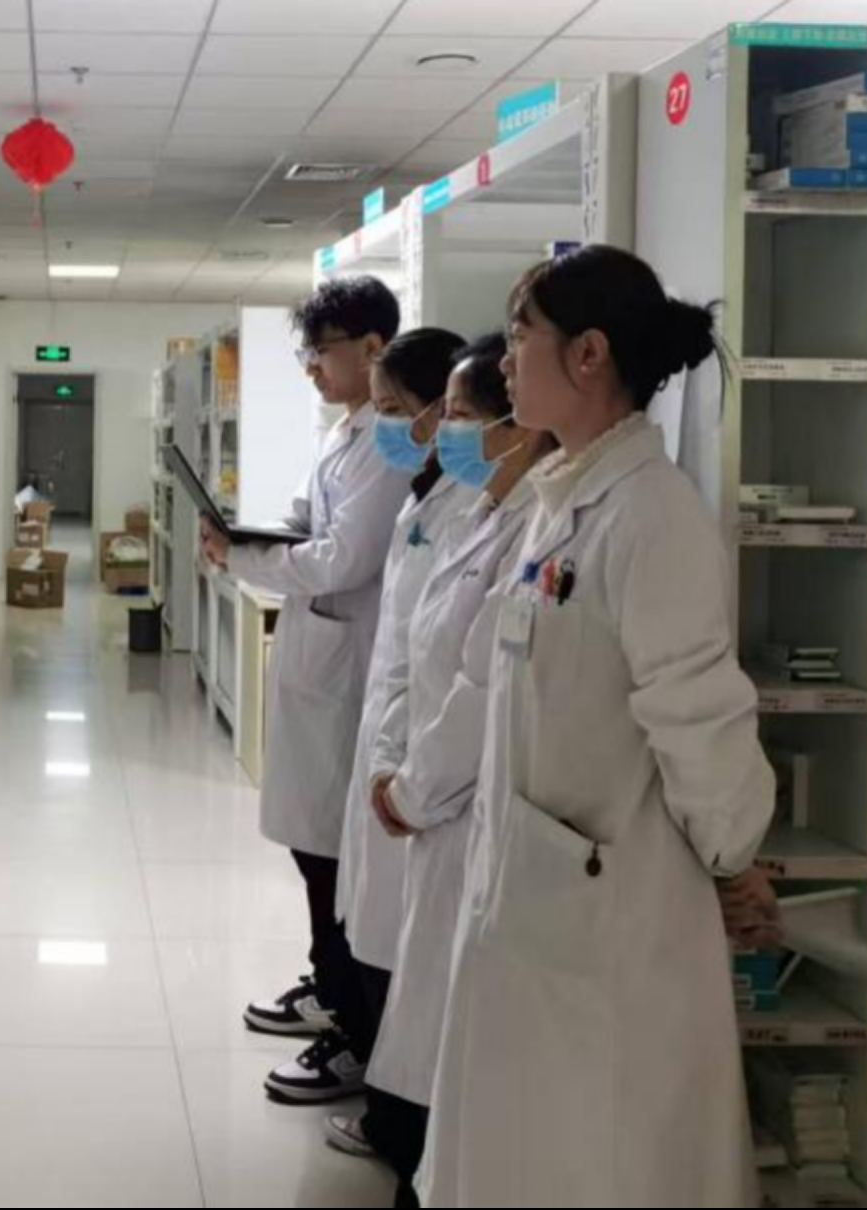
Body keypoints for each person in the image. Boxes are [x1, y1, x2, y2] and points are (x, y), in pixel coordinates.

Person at [418, 246, 780, 1207]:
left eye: (520, 336)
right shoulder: (564, 500)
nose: (502, 362)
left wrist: (733, 856)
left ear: (589, 354)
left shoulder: (652, 517)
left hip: (606, 918)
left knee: (600, 1158)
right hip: (538, 896)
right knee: (529, 1147)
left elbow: (698, 717)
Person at [201, 277, 413, 1105]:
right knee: (313, 849)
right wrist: (253, 536)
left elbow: (344, 559)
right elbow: (307, 523)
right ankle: (331, 988)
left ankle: (353, 1028)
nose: (311, 369)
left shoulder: (390, 446)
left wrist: (245, 558)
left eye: (320, 352)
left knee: (333, 854)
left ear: (372, 348)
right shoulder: (345, 433)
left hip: (351, 675)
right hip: (317, 661)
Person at [358, 335, 556, 1206]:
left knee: (452, 1049)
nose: (446, 433)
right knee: (425, 1027)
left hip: (461, 808)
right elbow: (417, 650)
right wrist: (395, 765)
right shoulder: (476, 512)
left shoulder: (533, 530)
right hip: (423, 791)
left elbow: (480, 686)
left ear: (521, 429)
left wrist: (409, 786)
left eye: (465, 416)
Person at [316, 326, 479, 1158]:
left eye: (395, 408)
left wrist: (407, 779)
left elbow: (458, 674)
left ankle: (401, 1130)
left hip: (426, 782)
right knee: (381, 944)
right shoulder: (429, 499)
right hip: (394, 759)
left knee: (409, 964)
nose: (385, 425)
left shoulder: (471, 512)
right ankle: (390, 1113)